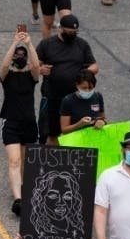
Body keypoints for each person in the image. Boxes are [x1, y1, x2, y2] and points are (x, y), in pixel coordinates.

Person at [35, 14, 97, 145]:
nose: (72, 35)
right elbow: (34, 64)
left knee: (77, 132)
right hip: (52, 96)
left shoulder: (82, 44)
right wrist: (40, 69)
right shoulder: (47, 44)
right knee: (52, 133)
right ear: (60, 29)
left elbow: (94, 66)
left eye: (75, 32)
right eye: (69, 32)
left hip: (76, 98)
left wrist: (83, 74)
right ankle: (53, 161)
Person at [0, 31, 40, 214]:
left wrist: (29, 44)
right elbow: (5, 64)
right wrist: (14, 44)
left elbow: (37, 65)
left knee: (25, 161)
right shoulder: (6, 77)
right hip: (12, 123)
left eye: (23, 55)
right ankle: (18, 199)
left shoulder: (31, 78)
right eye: (18, 55)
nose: (20, 57)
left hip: (29, 123)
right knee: (14, 161)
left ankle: (24, 189)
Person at [59, 69, 107, 135]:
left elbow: (103, 118)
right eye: (84, 88)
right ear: (77, 85)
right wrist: (79, 124)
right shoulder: (68, 101)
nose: (87, 91)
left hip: (94, 136)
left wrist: (102, 122)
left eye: (91, 88)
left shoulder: (98, 96)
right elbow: (64, 130)